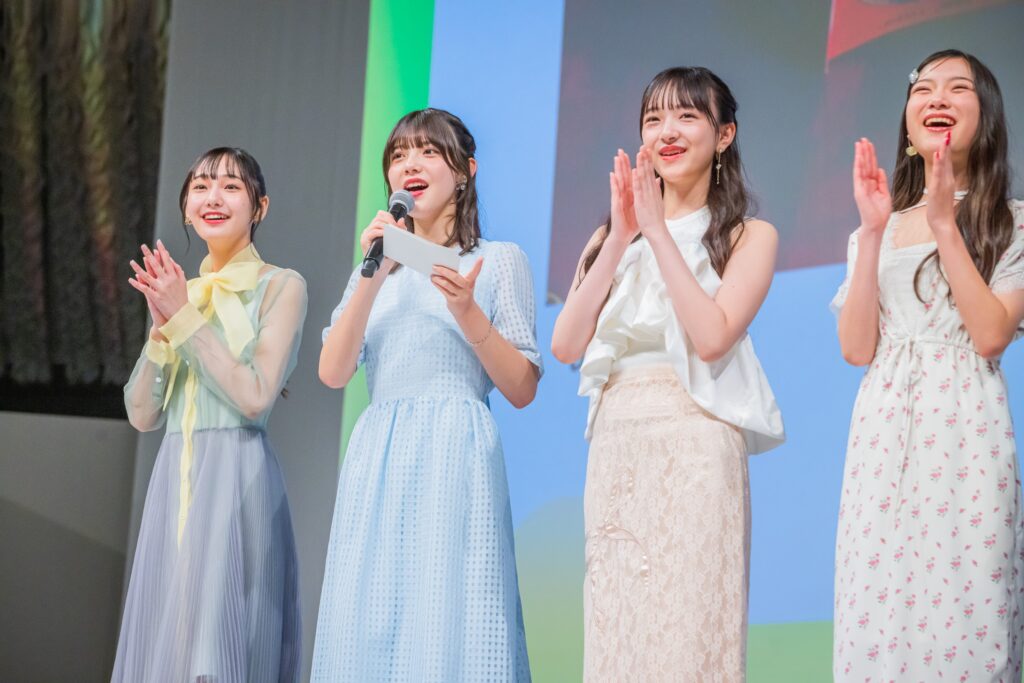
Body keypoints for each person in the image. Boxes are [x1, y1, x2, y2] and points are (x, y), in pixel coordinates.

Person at [551, 66, 784, 682]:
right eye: (653, 119)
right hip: (618, 445)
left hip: (697, 441)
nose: (667, 132)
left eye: (686, 116)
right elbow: (566, 343)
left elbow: (711, 338)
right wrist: (622, 235)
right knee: (618, 626)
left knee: (689, 626)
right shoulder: (611, 236)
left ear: (724, 134)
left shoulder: (748, 235)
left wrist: (657, 233)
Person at [312, 108, 541, 682]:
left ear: (465, 171)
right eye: (398, 155)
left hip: (455, 453)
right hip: (378, 457)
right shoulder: (374, 266)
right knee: (368, 619)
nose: (409, 164)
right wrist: (374, 272)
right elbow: (333, 372)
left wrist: (467, 310)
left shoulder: (497, 260)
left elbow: (521, 388)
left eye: (428, 152)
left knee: (452, 618)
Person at [832, 49, 1024, 681]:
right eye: (924, 88)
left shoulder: (1012, 221)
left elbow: (991, 334)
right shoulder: (877, 227)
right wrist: (872, 231)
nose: (937, 97)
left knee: (968, 608)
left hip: (965, 431)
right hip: (882, 434)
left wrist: (945, 224)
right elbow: (856, 348)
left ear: (985, 114)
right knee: (878, 609)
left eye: (958, 88)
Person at [114, 147, 305, 682]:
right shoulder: (183, 293)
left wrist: (183, 317)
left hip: (236, 478)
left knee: (224, 653)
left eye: (231, 186)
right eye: (200, 186)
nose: (212, 197)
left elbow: (255, 395)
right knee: (169, 649)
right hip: (175, 481)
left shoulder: (281, 285)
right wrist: (162, 330)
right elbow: (142, 414)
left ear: (260, 207)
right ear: (185, 208)